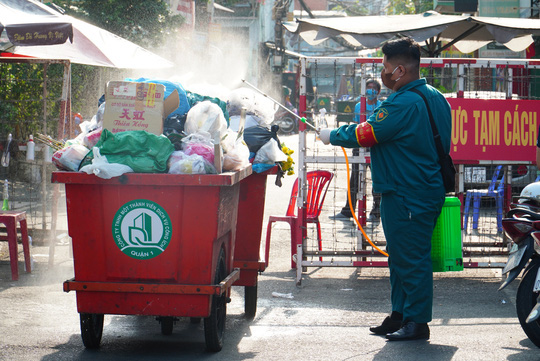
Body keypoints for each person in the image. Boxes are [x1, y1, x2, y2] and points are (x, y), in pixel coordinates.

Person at [319, 37, 451, 341]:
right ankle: (400, 315)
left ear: (400, 70)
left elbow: (368, 132)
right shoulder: (436, 97)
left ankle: (417, 322)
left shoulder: (402, 103)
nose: (383, 73)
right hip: (419, 189)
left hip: (407, 192)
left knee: (412, 258)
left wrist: (332, 134)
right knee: (401, 255)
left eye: (385, 67)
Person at [333, 79, 383, 220]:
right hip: (360, 144)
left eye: (373, 88)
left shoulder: (381, 107)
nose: (370, 91)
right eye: (368, 88)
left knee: (376, 178)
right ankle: (348, 210)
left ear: (378, 92)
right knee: (355, 177)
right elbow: (356, 124)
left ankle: (376, 211)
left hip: (375, 146)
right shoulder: (358, 106)